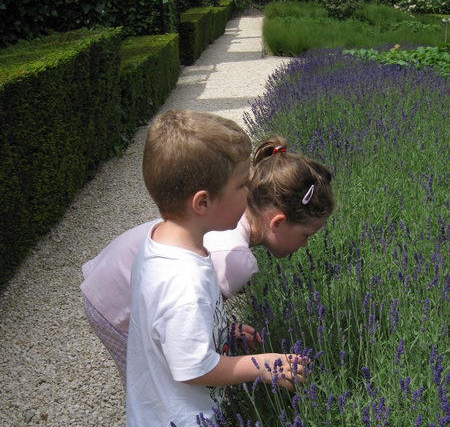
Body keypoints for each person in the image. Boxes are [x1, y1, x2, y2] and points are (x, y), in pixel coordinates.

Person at [123, 109, 304, 427]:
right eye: (243, 187)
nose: (250, 195)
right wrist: (261, 366)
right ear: (203, 202)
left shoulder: (164, 241)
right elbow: (194, 368)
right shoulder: (183, 281)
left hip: (164, 413)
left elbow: (179, 335)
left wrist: (223, 329)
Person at [80, 136, 335, 391]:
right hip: (114, 302)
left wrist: (224, 329)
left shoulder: (228, 224)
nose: (305, 246)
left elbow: (200, 307)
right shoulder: (236, 258)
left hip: (114, 271)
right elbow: (193, 329)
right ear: (277, 223)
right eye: (306, 236)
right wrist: (255, 363)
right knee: (152, 383)